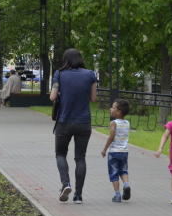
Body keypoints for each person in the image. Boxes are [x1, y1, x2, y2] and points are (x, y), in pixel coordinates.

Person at [50, 49, 98, 204]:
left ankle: (66, 184)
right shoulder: (90, 74)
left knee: (60, 154)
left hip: (64, 121)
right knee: (80, 158)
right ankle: (78, 195)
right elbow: (93, 98)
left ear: (66, 60)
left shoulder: (59, 74)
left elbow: (52, 96)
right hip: (84, 122)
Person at [100, 99, 132, 202]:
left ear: (119, 111)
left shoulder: (113, 123)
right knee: (123, 170)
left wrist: (104, 149)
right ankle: (126, 184)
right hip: (124, 152)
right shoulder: (127, 122)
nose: (111, 109)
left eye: (113, 107)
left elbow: (111, 137)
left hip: (114, 152)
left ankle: (117, 195)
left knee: (114, 173)